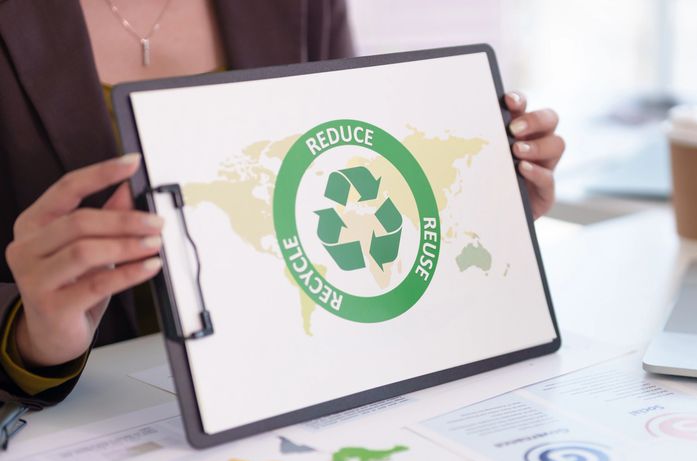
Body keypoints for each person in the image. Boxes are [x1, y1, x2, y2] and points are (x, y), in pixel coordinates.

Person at [0, 0, 565, 408]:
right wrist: (30, 335)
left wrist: (472, 206)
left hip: (298, 398)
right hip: (94, 424)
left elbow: (348, 169)